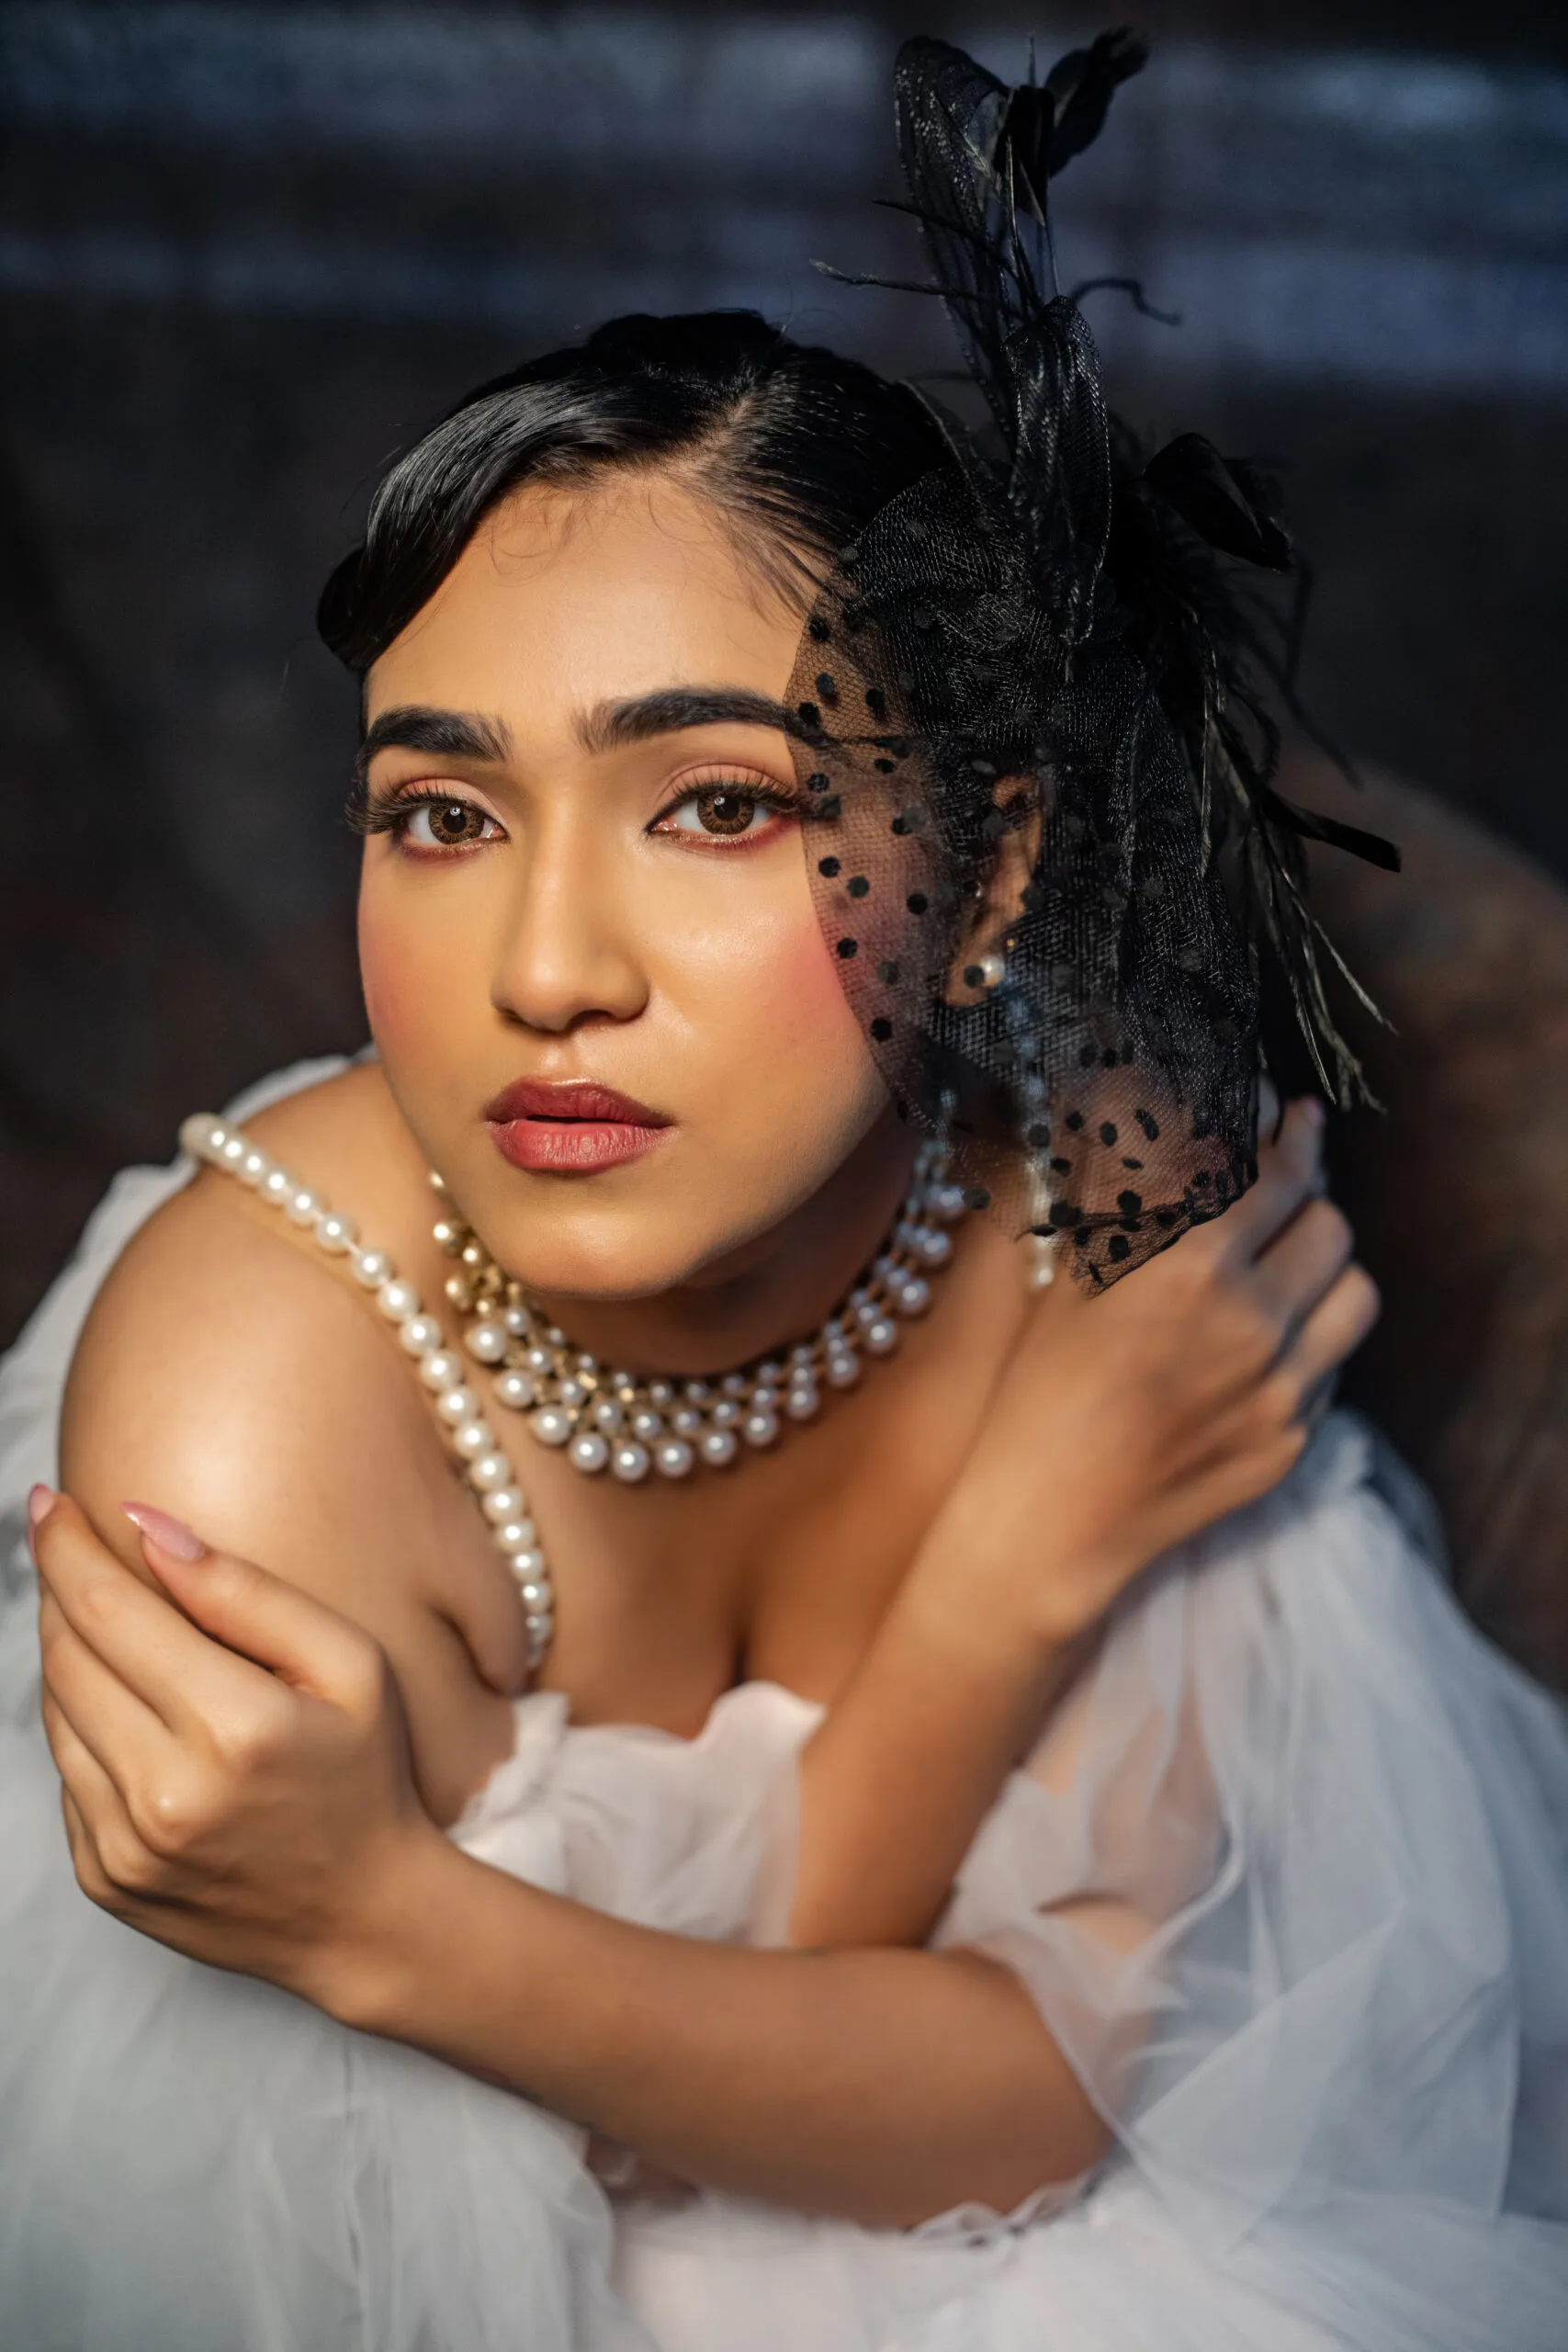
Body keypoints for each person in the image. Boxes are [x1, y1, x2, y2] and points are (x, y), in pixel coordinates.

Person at [4, 34, 1566, 2352]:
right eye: (440, 814)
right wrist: (383, 1941)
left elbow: (1054, 2096)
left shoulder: (1129, 1200)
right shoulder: (249, 1406)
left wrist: (1015, 1547)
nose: (543, 971)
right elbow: (488, 2175)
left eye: (718, 804)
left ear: (992, 868)